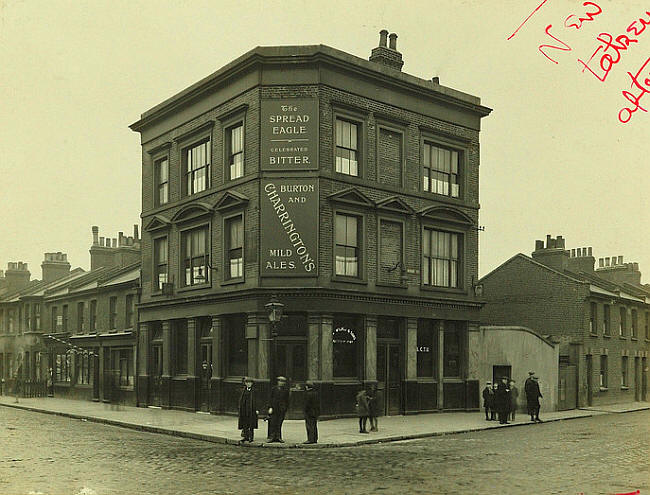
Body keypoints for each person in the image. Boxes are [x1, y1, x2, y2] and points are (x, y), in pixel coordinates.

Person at [266, 376, 289, 443]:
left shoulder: (285, 390)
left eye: (282, 381)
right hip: (274, 408)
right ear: (277, 382)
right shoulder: (273, 389)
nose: (281, 383)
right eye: (280, 381)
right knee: (273, 422)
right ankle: (272, 437)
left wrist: (285, 408)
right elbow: (270, 398)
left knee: (279, 423)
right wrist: (270, 407)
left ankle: (278, 437)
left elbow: (287, 400)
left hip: (281, 409)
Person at [238, 377, 259, 442]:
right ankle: (245, 437)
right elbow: (241, 400)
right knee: (245, 423)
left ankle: (251, 437)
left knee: (251, 424)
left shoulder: (255, 391)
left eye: (250, 383)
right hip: (244, 409)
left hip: (251, 409)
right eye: (247, 383)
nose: (248, 384)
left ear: (252, 383)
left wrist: (257, 409)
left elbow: (257, 401)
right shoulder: (243, 390)